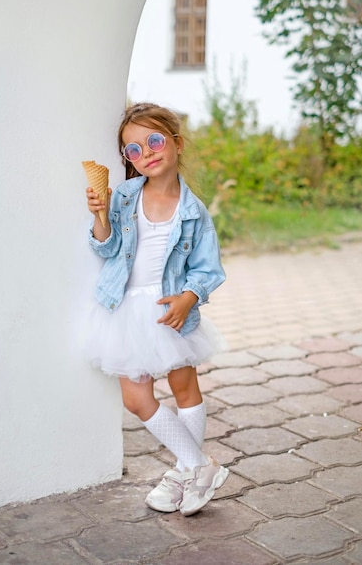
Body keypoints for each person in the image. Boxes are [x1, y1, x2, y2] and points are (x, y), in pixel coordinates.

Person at [85, 102, 228, 516]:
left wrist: (189, 297)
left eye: (154, 140)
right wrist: (99, 215)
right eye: (133, 149)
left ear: (177, 144)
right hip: (126, 310)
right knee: (136, 398)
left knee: (184, 388)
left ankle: (185, 474)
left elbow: (208, 268)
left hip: (172, 309)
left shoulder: (193, 211)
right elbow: (106, 247)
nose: (145, 152)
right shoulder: (125, 196)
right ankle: (200, 467)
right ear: (128, 160)